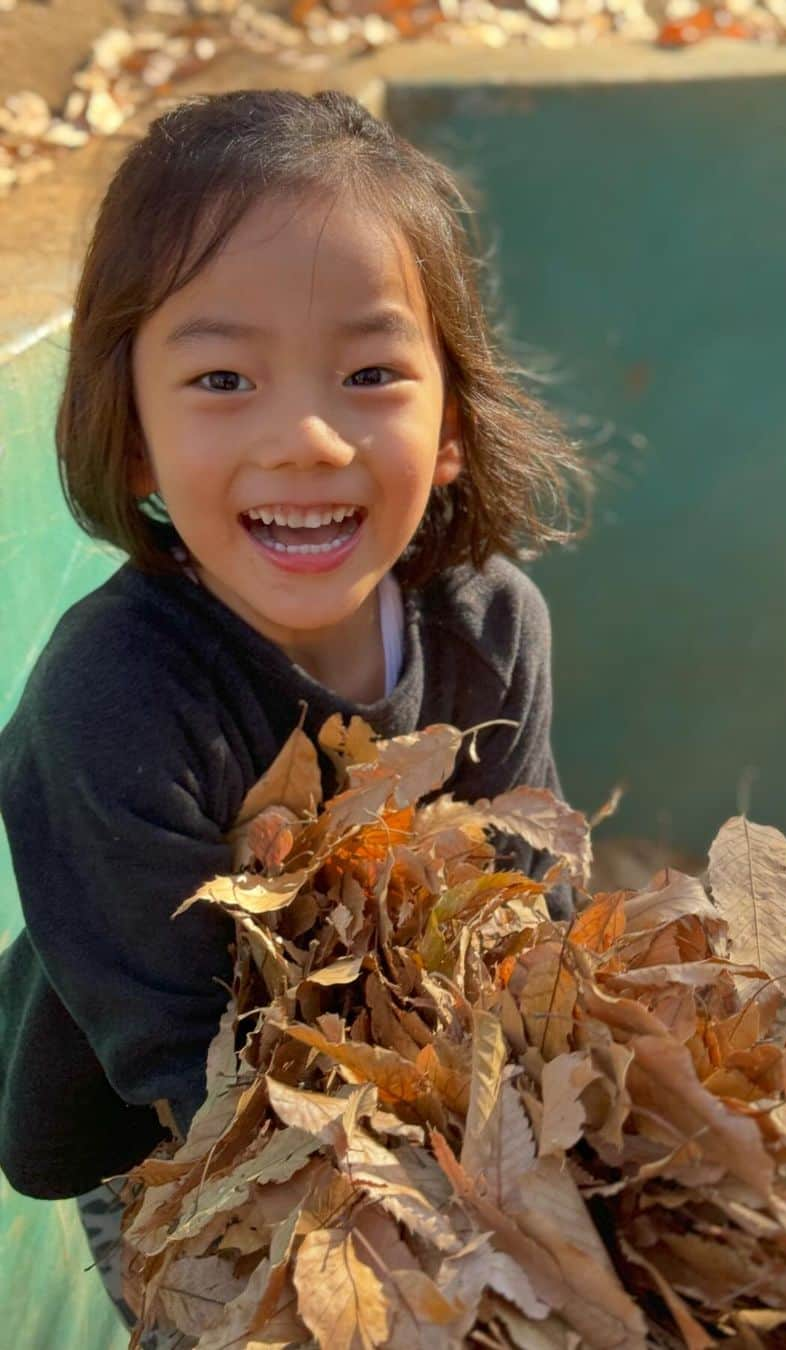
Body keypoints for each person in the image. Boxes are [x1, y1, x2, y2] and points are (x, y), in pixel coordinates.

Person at [0, 89, 591, 1339]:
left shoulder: (493, 629)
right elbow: (181, 1064)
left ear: (450, 427)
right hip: (176, 1144)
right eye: (223, 377)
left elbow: (526, 913)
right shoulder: (109, 699)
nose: (309, 436)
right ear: (138, 438)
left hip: (431, 1119)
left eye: (372, 373)